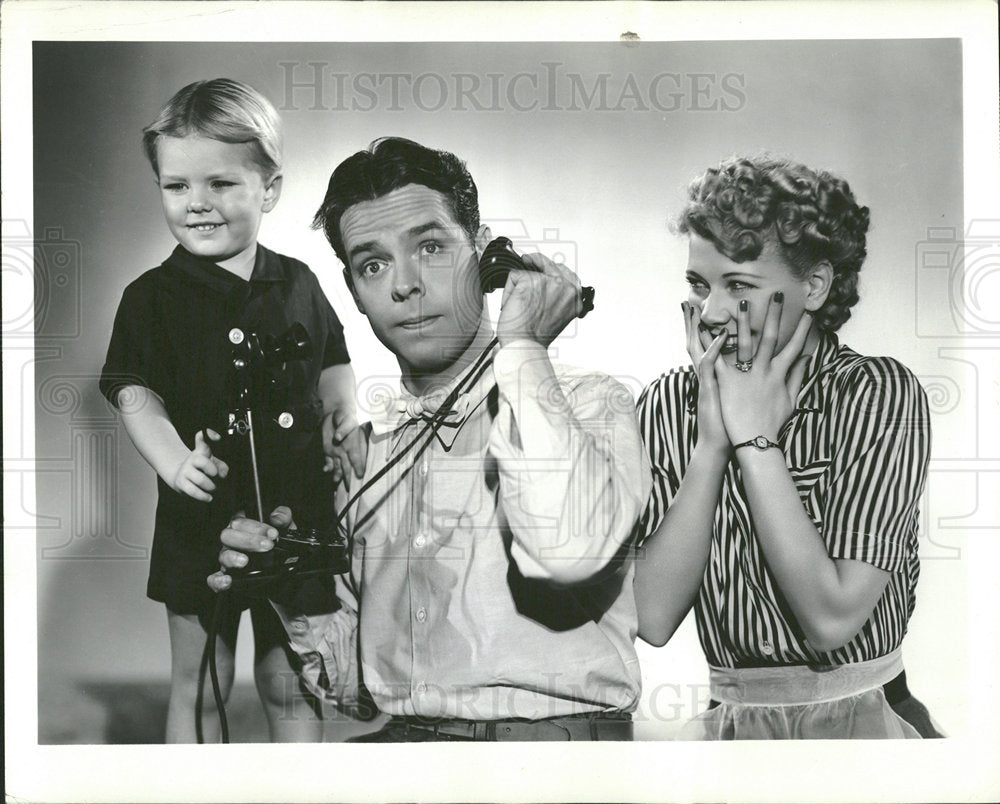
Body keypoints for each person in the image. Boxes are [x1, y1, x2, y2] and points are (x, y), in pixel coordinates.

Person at [209, 137, 652, 741]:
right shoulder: (366, 455)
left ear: (484, 253)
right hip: (407, 748)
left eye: (431, 247)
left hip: (551, 756)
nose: (404, 286)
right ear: (354, 290)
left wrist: (523, 350)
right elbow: (358, 692)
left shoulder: (588, 403)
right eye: (374, 264)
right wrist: (288, 587)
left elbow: (570, 549)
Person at [633, 155, 944, 739]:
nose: (713, 313)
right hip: (729, 730)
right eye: (700, 285)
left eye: (740, 286)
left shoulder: (874, 393)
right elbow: (651, 618)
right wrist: (712, 447)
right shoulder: (672, 400)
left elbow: (832, 620)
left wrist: (757, 441)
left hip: (867, 721)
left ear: (815, 285)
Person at [99, 78, 365, 743]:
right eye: (176, 186)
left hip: (298, 512)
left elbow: (333, 358)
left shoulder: (299, 281)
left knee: (292, 675)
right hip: (202, 518)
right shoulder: (151, 298)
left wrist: (344, 421)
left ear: (268, 189)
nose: (196, 205)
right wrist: (171, 460)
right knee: (201, 676)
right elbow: (133, 392)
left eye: (219, 185)